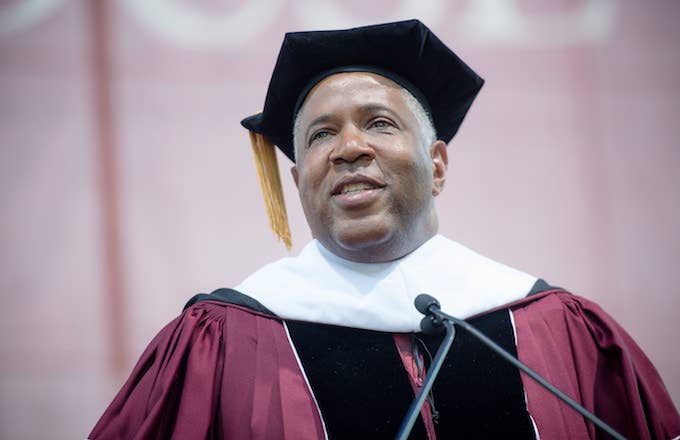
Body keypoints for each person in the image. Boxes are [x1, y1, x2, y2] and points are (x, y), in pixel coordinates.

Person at [89, 20, 679, 439]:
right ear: (298, 183)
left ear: (438, 165)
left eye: (378, 123)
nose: (349, 148)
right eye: (320, 135)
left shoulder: (557, 328)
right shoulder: (220, 341)